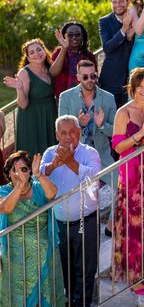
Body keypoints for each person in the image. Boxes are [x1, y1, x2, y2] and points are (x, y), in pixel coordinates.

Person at [111, 68, 144, 294]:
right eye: (140, 86)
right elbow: (118, 147)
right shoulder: (124, 113)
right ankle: (135, 277)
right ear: (132, 89)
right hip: (132, 178)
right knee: (135, 227)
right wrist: (140, 132)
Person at [40, 115, 101, 306]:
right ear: (57, 134)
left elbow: (94, 178)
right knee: (66, 270)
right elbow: (40, 173)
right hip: (59, 225)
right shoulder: (50, 153)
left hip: (86, 222)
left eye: (72, 131)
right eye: (63, 133)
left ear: (79, 132)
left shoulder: (90, 153)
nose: (68, 137)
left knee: (85, 271)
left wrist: (70, 162)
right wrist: (53, 166)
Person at [58, 59, 118, 235]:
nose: (90, 79)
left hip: (102, 154)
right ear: (78, 77)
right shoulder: (66, 97)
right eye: (85, 76)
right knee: (75, 195)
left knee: (122, 186)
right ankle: (80, 231)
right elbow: (62, 132)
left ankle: (111, 225)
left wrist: (101, 125)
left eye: (93, 76)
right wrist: (80, 126)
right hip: (76, 156)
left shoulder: (108, 98)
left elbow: (116, 130)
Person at [0, 151, 64, 307]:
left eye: (23, 169)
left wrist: (39, 175)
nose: (18, 173)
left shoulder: (38, 186)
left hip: (45, 254)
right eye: (14, 170)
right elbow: (5, 208)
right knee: (18, 299)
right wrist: (19, 186)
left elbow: (53, 193)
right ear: (8, 172)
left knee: (47, 297)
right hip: (16, 260)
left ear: (29, 171)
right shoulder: (4, 191)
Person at [3, 39, 56, 157]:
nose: (36, 54)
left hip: (50, 115)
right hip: (32, 118)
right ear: (27, 57)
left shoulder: (50, 67)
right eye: (32, 52)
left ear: (44, 50)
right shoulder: (24, 73)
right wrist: (19, 88)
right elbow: (23, 104)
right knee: (33, 155)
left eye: (39, 49)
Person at [99, 0, 134, 107]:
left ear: (128, 2)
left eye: (121, 1)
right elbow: (107, 48)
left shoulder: (136, 18)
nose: (117, 5)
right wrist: (124, 29)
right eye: (114, 2)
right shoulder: (105, 21)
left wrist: (129, 39)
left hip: (131, 77)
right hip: (111, 78)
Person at [50, 21, 97, 99]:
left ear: (82, 36)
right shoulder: (59, 52)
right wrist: (64, 48)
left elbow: (94, 77)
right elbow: (53, 73)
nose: (74, 37)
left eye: (77, 34)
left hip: (86, 97)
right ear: (64, 37)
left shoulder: (89, 55)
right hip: (64, 97)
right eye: (70, 35)